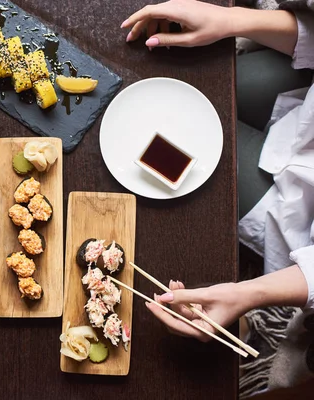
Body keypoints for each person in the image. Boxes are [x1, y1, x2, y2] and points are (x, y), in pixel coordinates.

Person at [122, 0, 314, 392]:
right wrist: (228, 19)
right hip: (306, 106)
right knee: (199, 85)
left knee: (202, 160)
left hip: (302, 212)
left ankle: (252, 329)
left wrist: (246, 295)